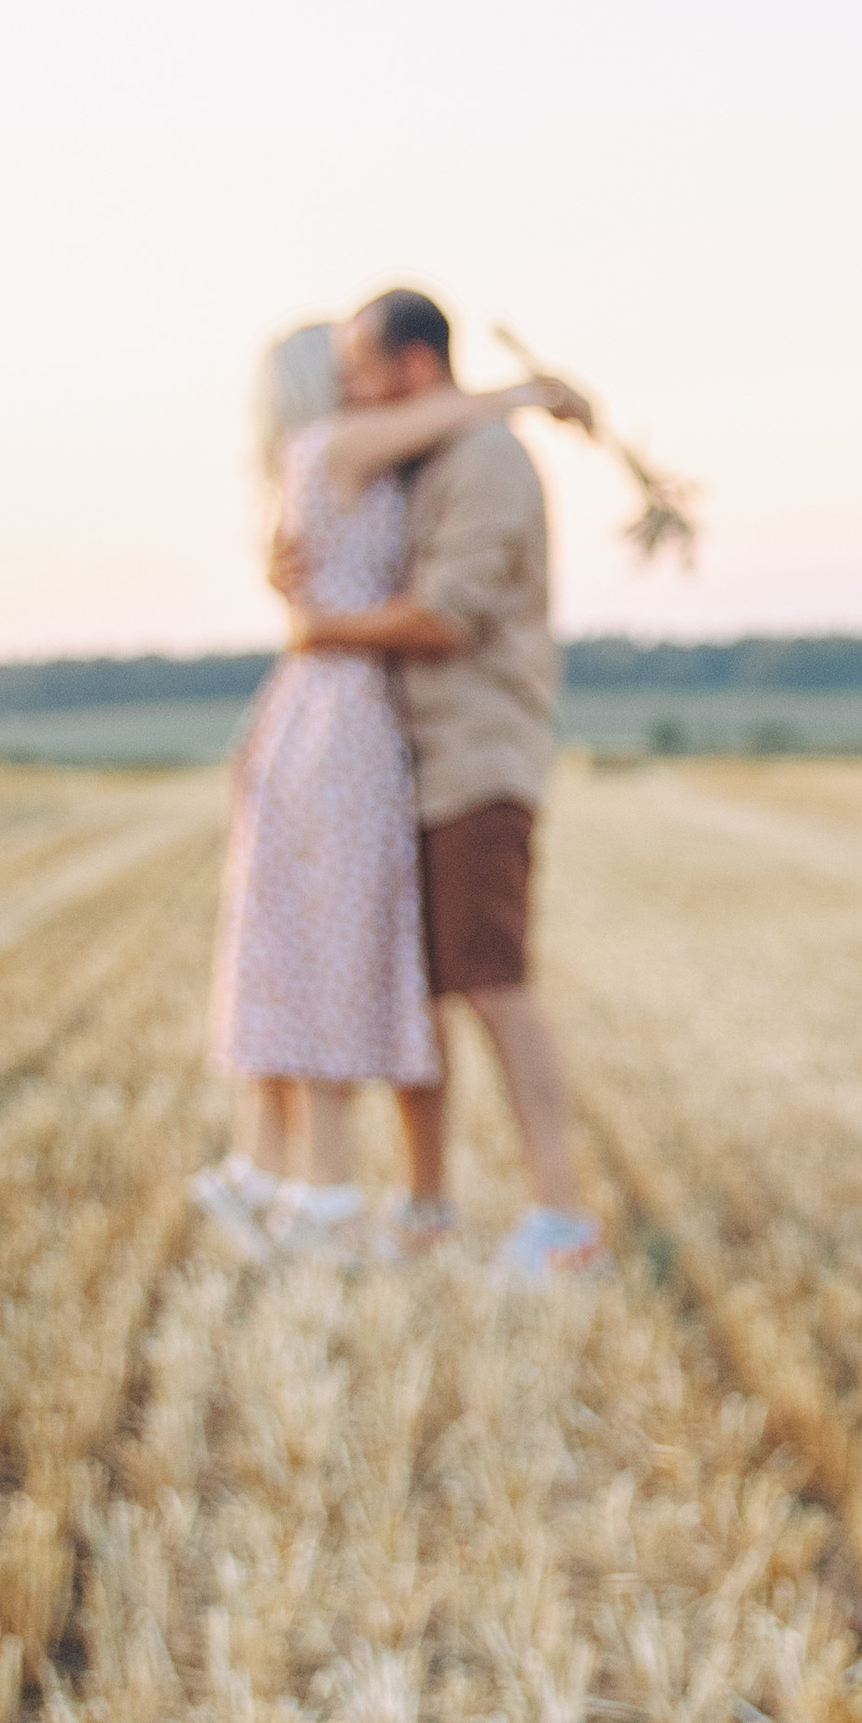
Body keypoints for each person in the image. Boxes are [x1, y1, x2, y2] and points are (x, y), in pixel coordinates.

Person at [194, 322, 559, 1263]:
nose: (359, 378)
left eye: (367, 361)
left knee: (322, 946)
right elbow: (423, 606)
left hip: (339, 711)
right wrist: (531, 393)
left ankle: (309, 1181)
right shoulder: (340, 445)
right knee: (336, 949)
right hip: (346, 715)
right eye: (345, 365)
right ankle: (326, 1188)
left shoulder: (351, 458)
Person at [274, 285, 607, 1281]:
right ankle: (425, 1209)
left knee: (495, 985)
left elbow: (444, 617)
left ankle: (564, 1221)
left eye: (359, 373)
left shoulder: (486, 460)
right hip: (408, 765)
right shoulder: (420, 459)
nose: (348, 394)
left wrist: (319, 630)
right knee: (416, 999)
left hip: (476, 757)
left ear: (413, 366)